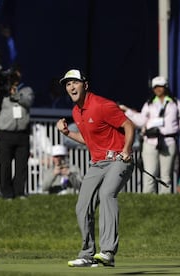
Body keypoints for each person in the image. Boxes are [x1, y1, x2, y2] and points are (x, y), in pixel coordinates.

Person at [56, 69, 135, 268]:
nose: (71, 87)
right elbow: (88, 140)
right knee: (82, 206)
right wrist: (67, 133)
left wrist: (126, 150)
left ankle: (107, 252)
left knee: (107, 193)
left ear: (85, 85)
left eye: (75, 82)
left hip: (119, 159)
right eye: (68, 84)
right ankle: (87, 253)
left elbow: (129, 126)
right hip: (97, 163)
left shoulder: (102, 105)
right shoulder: (76, 111)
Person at [119, 76, 180, 194]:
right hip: (150, 141)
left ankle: (165, 201)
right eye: (156, 87)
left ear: (166, 87)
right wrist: (127, 111)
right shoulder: (149, 104)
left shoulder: (175, 103)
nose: (158, 89)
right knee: (149, 173)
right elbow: (140, 121)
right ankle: (148, 200)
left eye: (161, 86)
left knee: (166, 176)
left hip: (168, 141)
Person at [0, 64, 35, 199]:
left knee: (21, 165)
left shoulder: (26, 89)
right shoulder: (2, 92)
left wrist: (16, 93)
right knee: (5, 165)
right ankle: (7, 193)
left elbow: (28, 101)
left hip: (22, 132)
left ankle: (19, 191)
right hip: (5, 133)